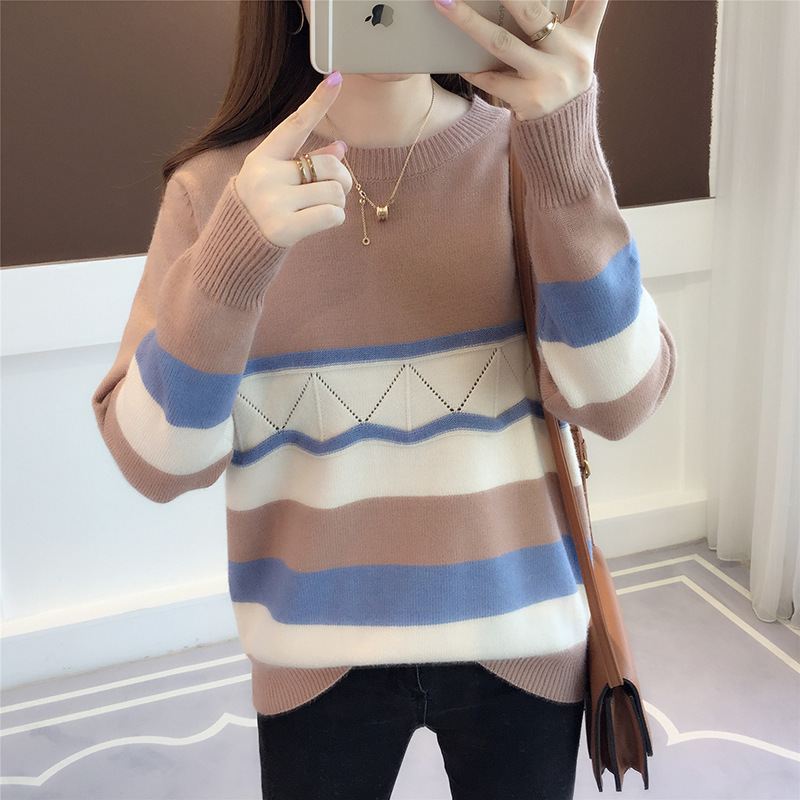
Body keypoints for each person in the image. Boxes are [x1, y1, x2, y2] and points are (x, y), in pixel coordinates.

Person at [93, 1, 675, 797]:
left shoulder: (531, 154)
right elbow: (157, 465)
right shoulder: (220, 195)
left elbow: (622, 401)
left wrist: (566, 149)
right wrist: (236, 258)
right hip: (313, 656)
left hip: (523, 640)